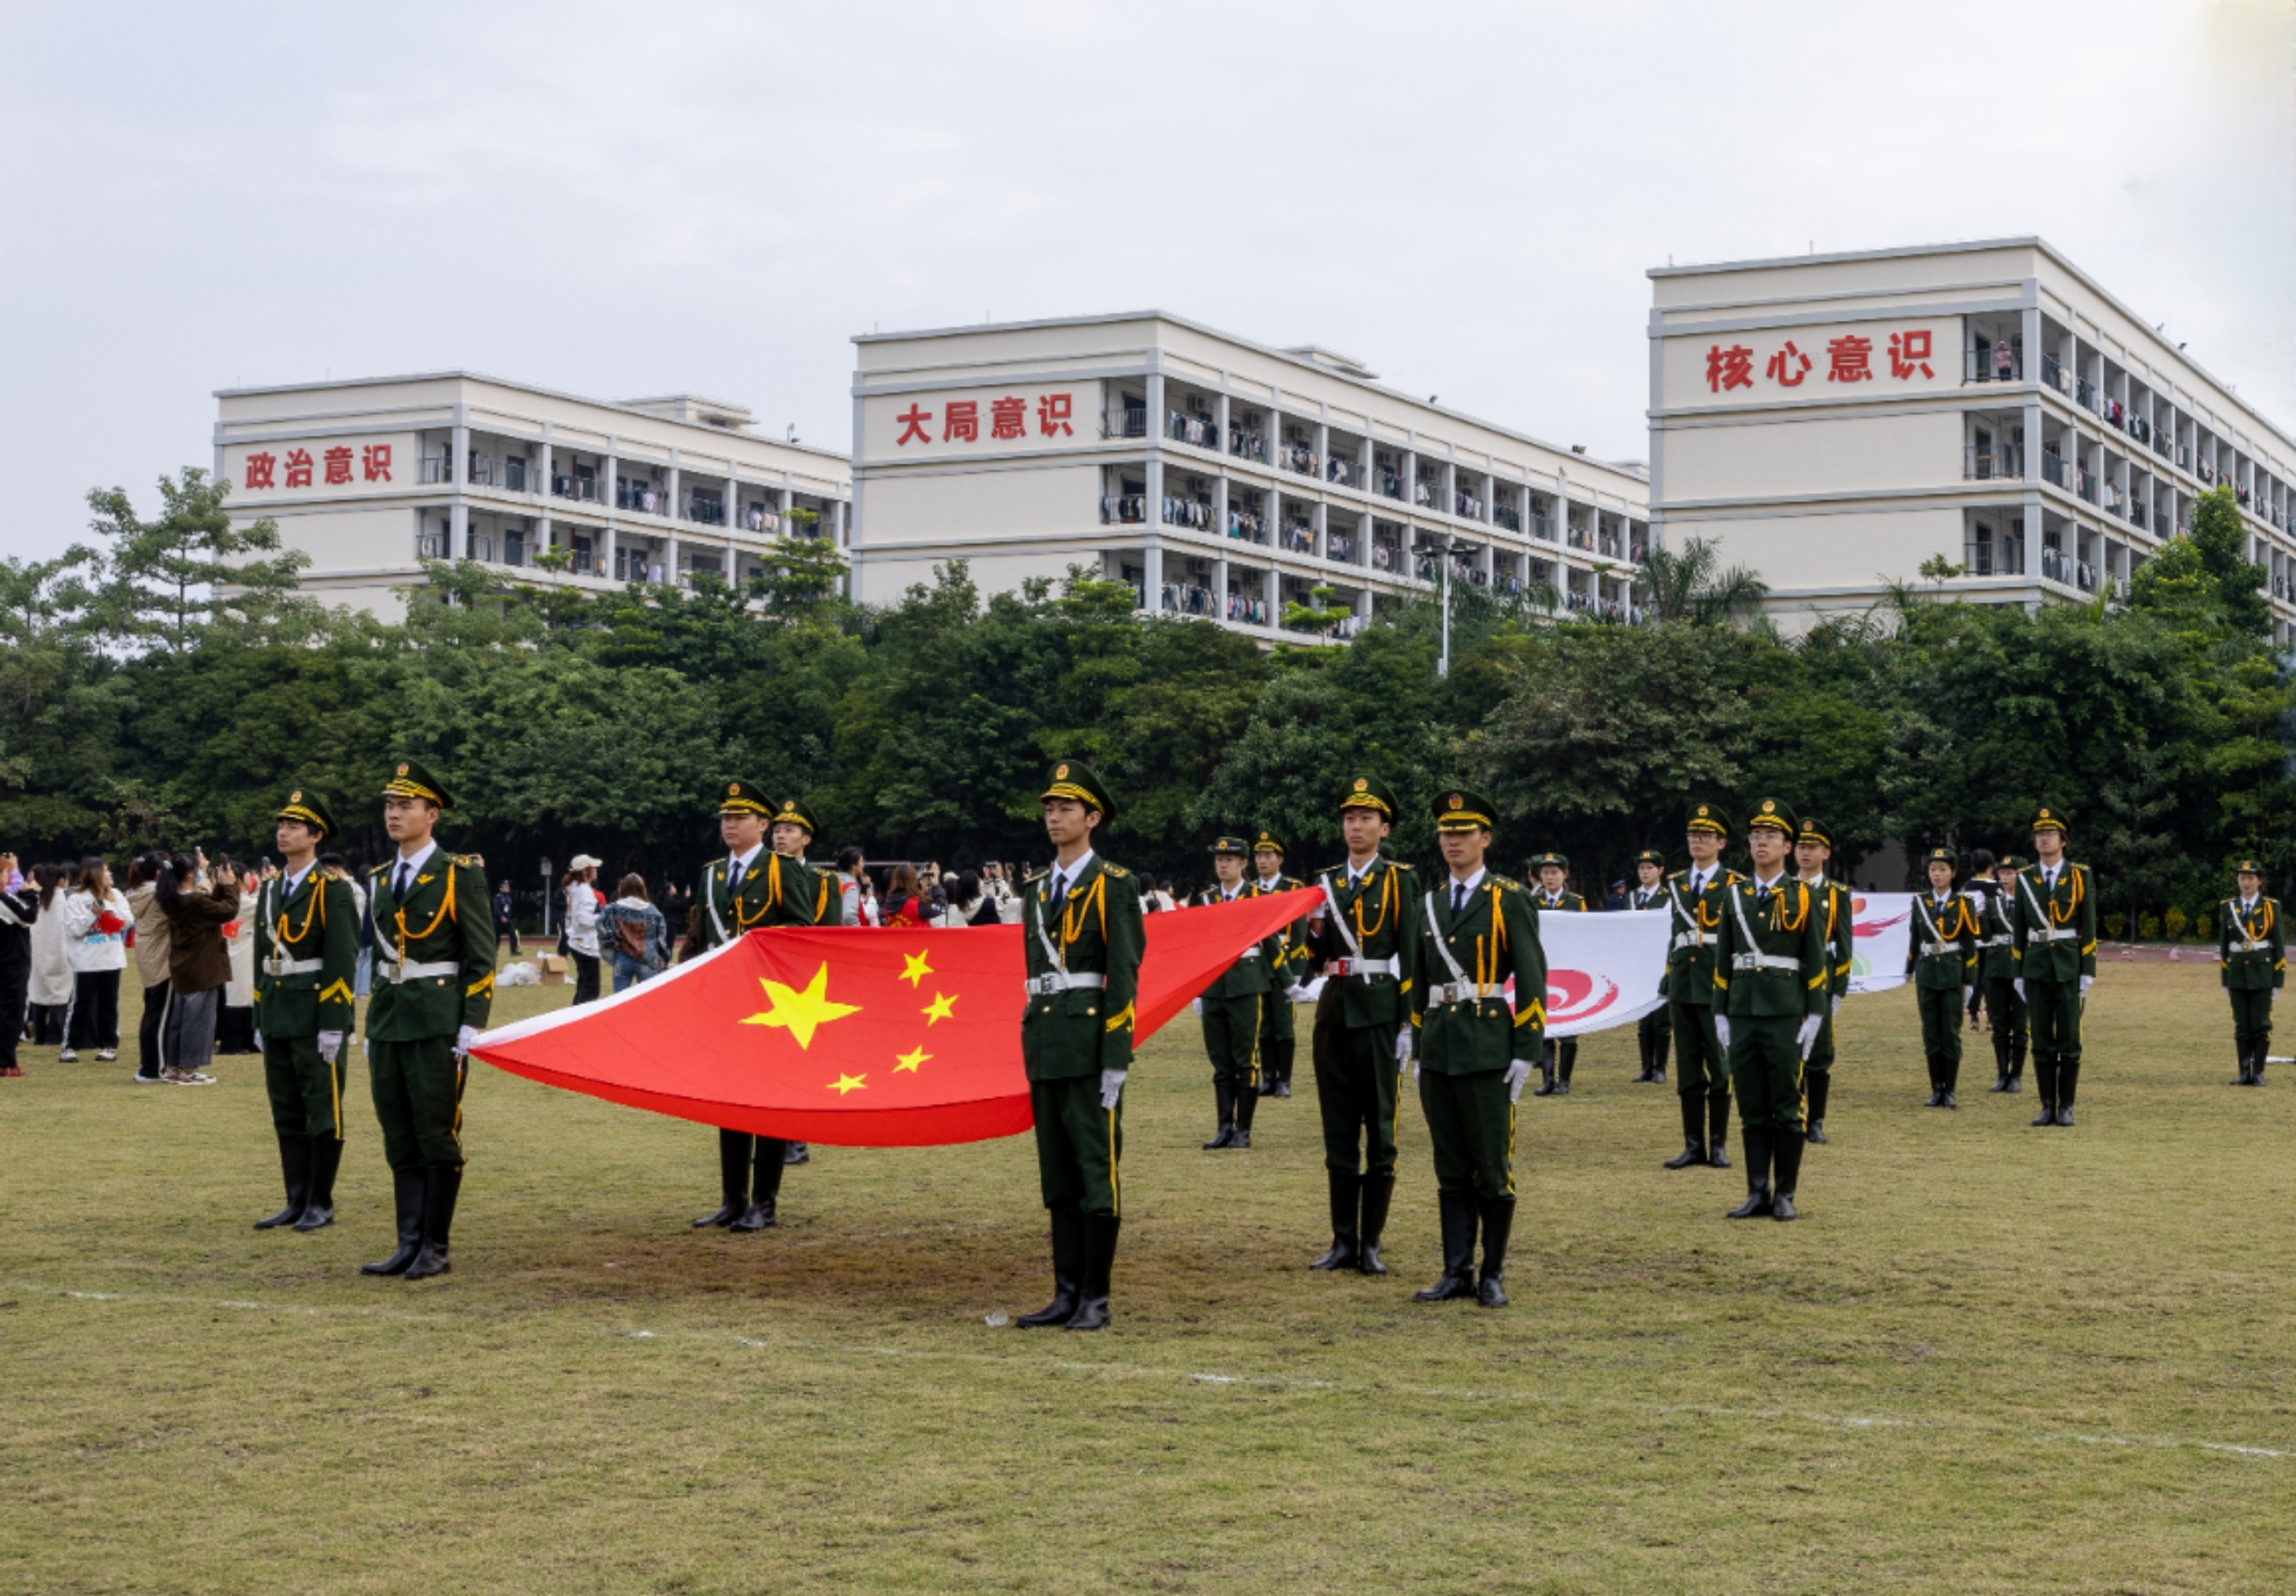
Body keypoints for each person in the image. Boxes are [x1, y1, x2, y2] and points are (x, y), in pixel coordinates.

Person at [1014, 760, 1142, 1332]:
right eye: (1049, 808)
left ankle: (1096, 1297)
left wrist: (1115, 1057)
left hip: (1090, 1046)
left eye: (1066, 809)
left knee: (1095, 1167)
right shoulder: (1037, 889)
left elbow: (1125, 974)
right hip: (1047, 1043)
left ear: (1093, 818)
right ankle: (1064, 1293)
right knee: (1057, 1172)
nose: (1054, 817)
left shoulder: (1116, 884)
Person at [1405, 789, 1544, 1308]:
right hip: (1440, 1047)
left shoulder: (1509, 898)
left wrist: (1526, 1049)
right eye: (1447, 833)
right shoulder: (1429, 904)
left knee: (1491, 1166)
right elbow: (1418, 983)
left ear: (1485, 838)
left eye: (1464, 833)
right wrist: (1417, 1047)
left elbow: (1532, 975)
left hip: (1488, 1046)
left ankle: (1492, 1273)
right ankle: (1455, 1271)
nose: (1454, 841)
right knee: (1450, 1164)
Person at [361, 759, 497, 1281]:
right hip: (389, 1020)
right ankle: (408, 1242)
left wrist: (471, 1024)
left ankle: (435, 1246)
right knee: (398, 1132)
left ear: (432, 814)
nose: (394, 814)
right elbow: (381, 958)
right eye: (390, 806)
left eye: (406, 806)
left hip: (439, 1022)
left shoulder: (459, 874)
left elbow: (482, 957)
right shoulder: (380, 878)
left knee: (436, 1131)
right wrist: (371, 1024)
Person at [690, 787, 834, 1233]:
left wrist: (756, 950)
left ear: (762, 825)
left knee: (769, 1104)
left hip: (771, 1005)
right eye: (726, 818)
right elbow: (703, 940)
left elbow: (801, 930)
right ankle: (732, 1200)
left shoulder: (780, 869)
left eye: (741, 817)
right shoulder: (712, 875)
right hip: (726, 1004)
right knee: (729, 1102)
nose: (730, 824)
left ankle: (764, 1204)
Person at [1302, 775, 1420, 1276]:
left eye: (1366, 819)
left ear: (1384, 828)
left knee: (1382, 1132)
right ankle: (1342, 1241)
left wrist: (1409, 1023)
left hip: (1379, 1016)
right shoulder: (1326, 882)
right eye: (1350, 818)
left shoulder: (1400, 879)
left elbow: (1411, 954)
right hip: (1334, 1013)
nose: (1356, 826)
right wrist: (1312, 930)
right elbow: (1316, 960)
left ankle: (1371, 1242)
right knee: (1339, 1129)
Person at [1709, 800, 1828, 1222]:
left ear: (1788, 846)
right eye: (1757, 836)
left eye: (1771, 836)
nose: (1762, 843)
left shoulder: (1803, 896)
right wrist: (1720, 1012)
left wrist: (1815, 1015)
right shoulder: (1734, 894)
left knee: (1787, 1102)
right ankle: (1757, 1191)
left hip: (1784, 1013)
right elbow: (1723, 959)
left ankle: (1785, 1194)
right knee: (1751, 1103)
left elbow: (1815, 960)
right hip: (1743, 1012)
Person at [249, 792, 361, 1231]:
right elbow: (261, 955)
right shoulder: (271, 888)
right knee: (286, 1107)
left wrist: (334, 1023)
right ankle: (295, 1199)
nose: (284, 832)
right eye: (282, 825)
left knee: (321, 1107)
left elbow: (341, 958)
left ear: (316, 836)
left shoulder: (333, 889)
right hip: (278, 1010)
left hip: (315, 1013)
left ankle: (320, 1201)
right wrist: (260, 1015)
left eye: (294, 826)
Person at [1188, 837, 1284, 1150]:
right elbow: (1197, 948)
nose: (1223, 865)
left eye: (1229, 860)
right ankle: (1224, 1128)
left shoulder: (1258, 897)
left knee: (1246, 1060)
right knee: (1221, 1061)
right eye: (1219, 860)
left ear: (1244, 864)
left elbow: (1271, 944)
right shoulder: (1205, 900)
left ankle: (1243, 1130)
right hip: (1214, 988)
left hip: (1246, 986)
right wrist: (1195, 990)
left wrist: (1289, 983)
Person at [1661, 805, 1740, 1170]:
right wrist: (1668, 976)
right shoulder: (1676, 883)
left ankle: (1718, 1145)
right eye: (1694, 835)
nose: (1698, 841)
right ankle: (1693, 1145)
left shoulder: (1734, 884)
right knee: (1688, 1066)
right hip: (1683, 985)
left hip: (1716, 985)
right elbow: (1675, 936)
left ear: (1721, 843)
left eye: (1707, 836)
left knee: (1720, 1066)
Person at [2012, 807, 2096, 1128]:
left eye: (2050, 834)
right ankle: (2047, 1106)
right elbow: (2019, 928)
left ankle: (2067, 1107)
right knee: (2042, 1038)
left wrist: (2088, 969)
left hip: (2068, 967)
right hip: (2035, 967)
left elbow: (2088, 924)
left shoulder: (2080, 876)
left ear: (2064, 841)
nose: (2044, 839)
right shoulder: (2025, 878)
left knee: (2070, 1038)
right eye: (2039, 835)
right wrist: (2018, 972)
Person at [1793, 820, 1854, 1142]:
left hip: (1822, 983)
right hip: (1788, 980)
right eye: (1801, 847)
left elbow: (1844, 947)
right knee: (1789, 1050)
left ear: (1826, 853)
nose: (1805, 853)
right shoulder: (1784, 889)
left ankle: (1816, 1121)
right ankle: (1793, 1116)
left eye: (1812, 847)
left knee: (1818, 1052)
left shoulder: (1836, 894)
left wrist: (1837, 991)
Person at [156, 852, 239, 1086]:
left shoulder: (174, 899)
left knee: (181, 1019)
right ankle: (189, 1068)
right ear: (191, 874)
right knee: (199, 1020)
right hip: (202, 965)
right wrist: (231, 886)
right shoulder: (195, 901)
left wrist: (220, 886)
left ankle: (175, 1066)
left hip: (183, 965)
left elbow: (213, 908)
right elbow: (228, 910)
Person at [1906, 847, 1980, 1108]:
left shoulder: (1964, 904)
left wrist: (1970, 981)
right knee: (1931, 1033)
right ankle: (1936, 1088)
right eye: (1933, 869)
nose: (1937, 874)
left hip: (1951, 972)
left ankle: (1949, 1089)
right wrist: (1909, 968)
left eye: (1942, 869)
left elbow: (1969, 944)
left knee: (1950, 1032)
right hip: (1927, 972)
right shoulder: (1920, 902)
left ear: (1953, 873)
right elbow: (1915, 938)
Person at [1249, 829, 1310, 1100]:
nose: (1262, 861)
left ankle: (1284, 1080)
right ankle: (1268, 1078)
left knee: (1284, 1024)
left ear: (1280, 859)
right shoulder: (1250, 890)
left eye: (1268, 856)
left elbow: (1299, 933)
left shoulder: (1293, 888)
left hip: (1284, 965)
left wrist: (1295, 973)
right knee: (1263, 1024)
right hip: (1259, 966)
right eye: (1259, 856)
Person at [60, 857, 130, 1063]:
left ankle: (109, 1045)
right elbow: (73, 929)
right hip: (86, 961)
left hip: (112, 960)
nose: (110, 874)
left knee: (109, 1004)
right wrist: (91, 915)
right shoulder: (76, 899)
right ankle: (69, 1046)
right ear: (94, 874)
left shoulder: (116, 895)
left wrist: (110, 909)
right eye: (106, 871)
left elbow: (128, 922)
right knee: (80, 1004)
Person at [2219, 859, 2283, 1087]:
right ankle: (2244, 1073)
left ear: (2259, 881)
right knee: (2242, 1025)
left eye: (2250, 879)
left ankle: (2259, 1074)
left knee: (2262, 1024)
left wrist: (2278, 980)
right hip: (2237, 973)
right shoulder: (2228, 907)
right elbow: (2224, 946)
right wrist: (2225, 978)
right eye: (2242, 878)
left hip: (2262, 973)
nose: (2246, 883)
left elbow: (2279, 945)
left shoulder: (2271, 907)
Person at [1527, 851, 1586, 1096]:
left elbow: (1584, 934)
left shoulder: (1575, 903)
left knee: (1569, 1030)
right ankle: (1548, 1080)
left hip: (1569, 972)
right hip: (1542, 970)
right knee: (1545, 1027)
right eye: (1545, 873)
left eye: (1554, 872)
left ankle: (1565, 1081)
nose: (1550, 877)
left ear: (1565, 875)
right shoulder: (1532, 901)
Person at [1969, 850, 2027, 1093]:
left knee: (2020, 1025)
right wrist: (1977, 918)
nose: (2005, 878)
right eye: (2002, 873)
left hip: (2021, 969)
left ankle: (2016, 1076)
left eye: (2010, 873)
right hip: (1996, 968)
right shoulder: (1993, 904)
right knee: (2000, 1024)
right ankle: (2002, 1074)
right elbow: (1984, 937)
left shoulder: (2030, 904)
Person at [125, 853, 175, 1083]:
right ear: (159, 872)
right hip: (161, 957)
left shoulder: (139, 892)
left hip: (148, 953)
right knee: (160, 1016)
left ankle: (149, 1065)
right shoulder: (159, 893)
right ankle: (154, 1068)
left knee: (152, 1011)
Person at [1627, 849, 1670, 1083]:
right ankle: (1646, 1067)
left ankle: (1660, 1068)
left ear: (1660, 870)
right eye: (1641, 868)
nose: (1645, 872)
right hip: (1640, 963)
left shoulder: (1668, 896)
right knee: (1644, 1017)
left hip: (1662, 962)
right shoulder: (1632, 897)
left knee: (1662, 1017)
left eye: (1650, 868)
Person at [0, 852, 38, 1077]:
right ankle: (6, 1062)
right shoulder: (3, 900)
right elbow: (28, 916)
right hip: (11, 964)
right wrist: (32, 894)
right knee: (11, 1013)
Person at [215, 866, 261, 1054]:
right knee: (239, 997)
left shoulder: (226, 899)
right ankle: (234, 1043)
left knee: (243, 996)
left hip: (236, 948)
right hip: (241, 951)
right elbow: (264, 905)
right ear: (240, 879)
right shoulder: (242, 902)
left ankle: (245, 1041)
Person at [27, 864, 74, 1046]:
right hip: (61, 952)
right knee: (60, 995)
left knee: (39, 993)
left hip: (38, 953)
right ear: (60, 880)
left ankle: (40, 1036)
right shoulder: (65, 898)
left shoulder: (35, 898)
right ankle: (56, 1035)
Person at [599, 875, 671, 992]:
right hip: (647, 958)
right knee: (648, 998)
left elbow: (600, 925)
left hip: (622, 956)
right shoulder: (653, 911)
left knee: (620, 999)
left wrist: (610, 943)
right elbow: (661, 938)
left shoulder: (613, 909)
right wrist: (664, 959)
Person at [563, 855, 603, 1005]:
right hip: (586, 944)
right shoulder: (585, 891)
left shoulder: (575, 888)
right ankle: (581, 1016)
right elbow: (584, 920)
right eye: (593, 868)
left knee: (584, 985)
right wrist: (602, 917)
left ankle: (575, 1013)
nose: (596, 870)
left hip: (577, 942)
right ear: (585, 872)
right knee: (591, 990)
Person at [881, 863, 925, 927]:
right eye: (915, 879)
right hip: (917, 933)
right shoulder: (917, 904)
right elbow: (938, 908)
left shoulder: (887, 905)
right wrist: (935, 886)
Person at [833, 846, 868, 926]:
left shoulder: (834, 880)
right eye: (862, 862)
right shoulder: (851, 887)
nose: (863, 865)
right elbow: (849, 916)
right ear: (854, 866)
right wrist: (858, 930)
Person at [493, 880, 521, 955]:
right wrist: (501, 917)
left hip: (508, 919)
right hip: (499, 920)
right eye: (505, 887)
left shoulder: (508, 898)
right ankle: (494, 952)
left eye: (508, 887)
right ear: (501, 889)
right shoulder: (498, 897)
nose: (508, 888)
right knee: (497, 936)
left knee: (513, 934)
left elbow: (509, 909)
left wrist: (509, 917)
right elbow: (497, 909)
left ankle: (514, 951)